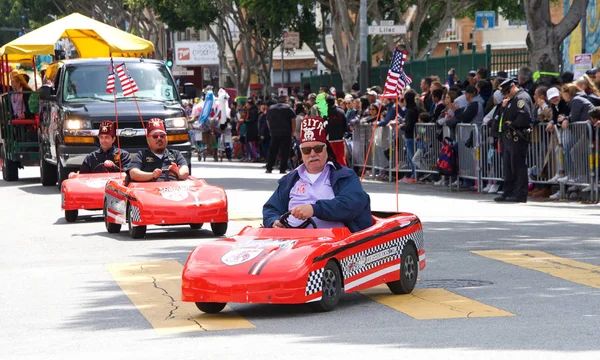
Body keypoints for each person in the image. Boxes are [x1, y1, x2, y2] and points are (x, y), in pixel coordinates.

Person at [263, 116, 372, 232]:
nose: (312, 154)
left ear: (326, 149)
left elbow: (352, 204)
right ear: (301, 153)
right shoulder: (290, 179)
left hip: (335, 244)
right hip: (294, 243)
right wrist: (273, 221)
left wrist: (315, 209)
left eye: (318, 148)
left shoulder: (344, 176)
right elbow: (271, 208)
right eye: (306, 150)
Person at [494, 78, 533, 203]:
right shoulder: (512, 99)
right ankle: (508, 191)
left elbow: (525, 116)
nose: (506, 95)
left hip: (517, 136)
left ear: (513, 86)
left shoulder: (521, 98)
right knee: (508, 167)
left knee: (518, 167)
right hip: (508, 138)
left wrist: (513, 124)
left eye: (507, 91)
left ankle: (520, 194)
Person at [265, 94, 296, 174]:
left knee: (272, 151)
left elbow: (267, 120)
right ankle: (282, 169)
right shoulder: (289, 108)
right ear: (286, 100)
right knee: (285, 152)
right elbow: (293, 120)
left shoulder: (271, 108)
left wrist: (271, 130)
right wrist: (292, 131)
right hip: (286, 133)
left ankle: (269, 168)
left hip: (275, 133)